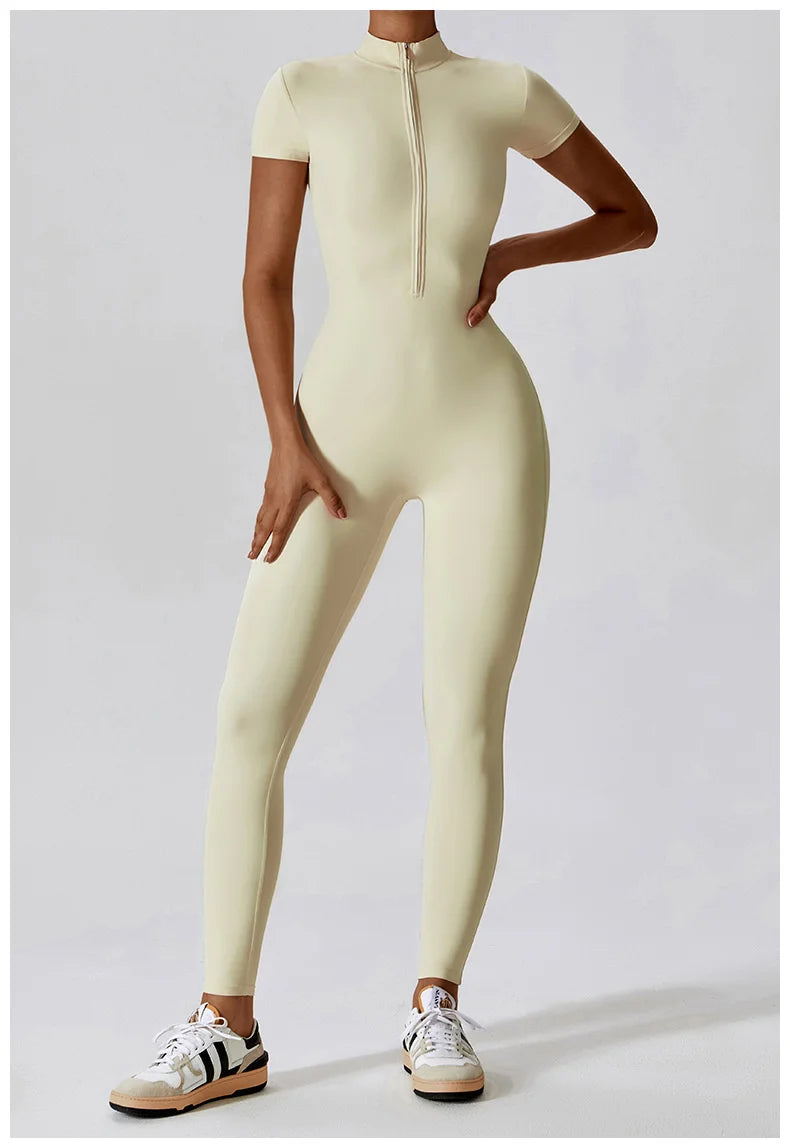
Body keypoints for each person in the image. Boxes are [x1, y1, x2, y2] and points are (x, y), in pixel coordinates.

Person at [109, 9, 657, 1117]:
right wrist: (286, 438)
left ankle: (435, 1001)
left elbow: (631, 218)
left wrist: (512, 252)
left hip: (485, 429)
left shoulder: (505, 90)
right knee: (251, 714)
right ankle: (225, 1027)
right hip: (335, 437)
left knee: (464, 715)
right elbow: (265, 277)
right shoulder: (302, 89)